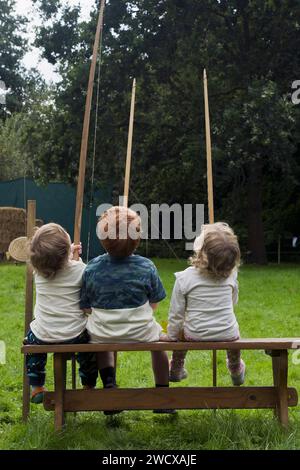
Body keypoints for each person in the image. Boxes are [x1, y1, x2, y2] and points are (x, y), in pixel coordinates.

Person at [80, 206, 170, 402]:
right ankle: (163, 393)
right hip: (141, 332)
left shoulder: (92, 267)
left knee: (103, 343)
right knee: (159, 345)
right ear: (137, 239)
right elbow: (155, 302)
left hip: (102, 333)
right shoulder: (147, 266)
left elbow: (85, 307)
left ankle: (109, 385)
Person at [163, 222, 246, 386]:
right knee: (234, 332)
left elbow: (176, 313)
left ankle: (176, 367)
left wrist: (171, 336)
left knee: (180, 331)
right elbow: (233, 302)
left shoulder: (185, 277)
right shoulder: (231, 277)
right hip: (227, 332)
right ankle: (235, 367)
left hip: (195, 333)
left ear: (201, 252)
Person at [25, 223, 97, 404]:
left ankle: (36, 385)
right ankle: (88, 384)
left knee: (31, 345)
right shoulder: (80, 270)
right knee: (89, 350)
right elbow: (76, 270)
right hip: (75, 333)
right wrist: (75, 259)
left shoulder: (38, 274)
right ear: (66, 253)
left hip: (43, 334)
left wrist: (67, 253)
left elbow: (53, 262)